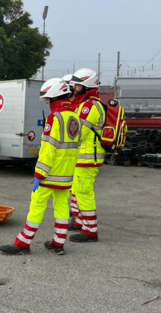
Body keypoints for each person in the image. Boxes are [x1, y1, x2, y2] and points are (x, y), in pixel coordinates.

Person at [0, 78, 81, 255]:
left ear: (54, 97)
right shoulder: (75, 116)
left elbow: (48, 148)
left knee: (36, 207)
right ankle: (58, 243)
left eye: (47, 99)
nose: (46, 102)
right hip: (66, 174)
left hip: (50, 173)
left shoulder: (55, 117)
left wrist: (39, 173)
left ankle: (23, 243)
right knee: (61, 207)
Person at [68, 68, 105, 242]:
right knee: (76, 190)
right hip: (82, 156)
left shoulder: (89, 105)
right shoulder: (84, 103)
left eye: (77, 84)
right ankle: (81, 222)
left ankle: (90, 231)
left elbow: (77, 133)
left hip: (88, 157)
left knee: (83, 192)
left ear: (86, 85)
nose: (74, 88)